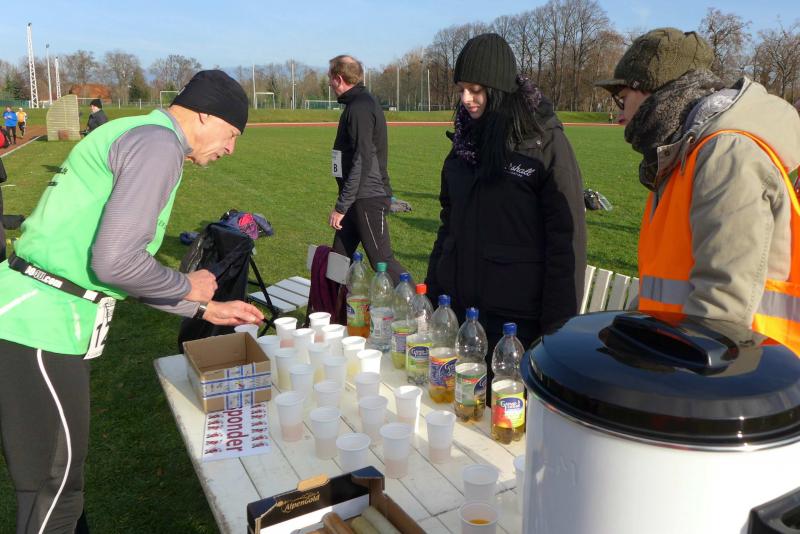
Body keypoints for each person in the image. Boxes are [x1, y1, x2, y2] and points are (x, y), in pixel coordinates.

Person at [0, 69, 264, 533]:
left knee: (60, 489)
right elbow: (115, 262)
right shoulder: (160, 145)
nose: (230, 149)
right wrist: (187, 286)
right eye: (232, 135)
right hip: (39, 327)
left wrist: (205, 308)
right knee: (53, 493)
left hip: (38, 319)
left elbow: (112, 270)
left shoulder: (136, 131)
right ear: (206, 115)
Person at [595, 28, 800, 352]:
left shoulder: (727, 154)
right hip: (681, 356)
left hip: (735, 369)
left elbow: (722, 307)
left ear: (653, 93)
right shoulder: (682, 155)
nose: (620, 116)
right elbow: (665, 284)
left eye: (622, 99)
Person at [425, 33, 587, 378]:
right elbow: (448, 224)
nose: (466, 100)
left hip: (515, 325)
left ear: (498, 89)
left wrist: (557, 331)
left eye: (476, 90)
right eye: (461, 90)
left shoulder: (543, 144)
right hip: (459, 315)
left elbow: (565, 241)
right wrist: (433, 293)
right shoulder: (462, 146)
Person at [327, 55, 407, 282]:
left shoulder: (360, 107)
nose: (329, 84)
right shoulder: (356, 104)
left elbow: (362, 160)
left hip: (366, 198)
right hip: (355, 197)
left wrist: (341, 206)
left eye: (330, 78)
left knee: (382, 261)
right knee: (338, 260)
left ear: (338, 78)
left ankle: (419, 302)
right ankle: (331, 305)